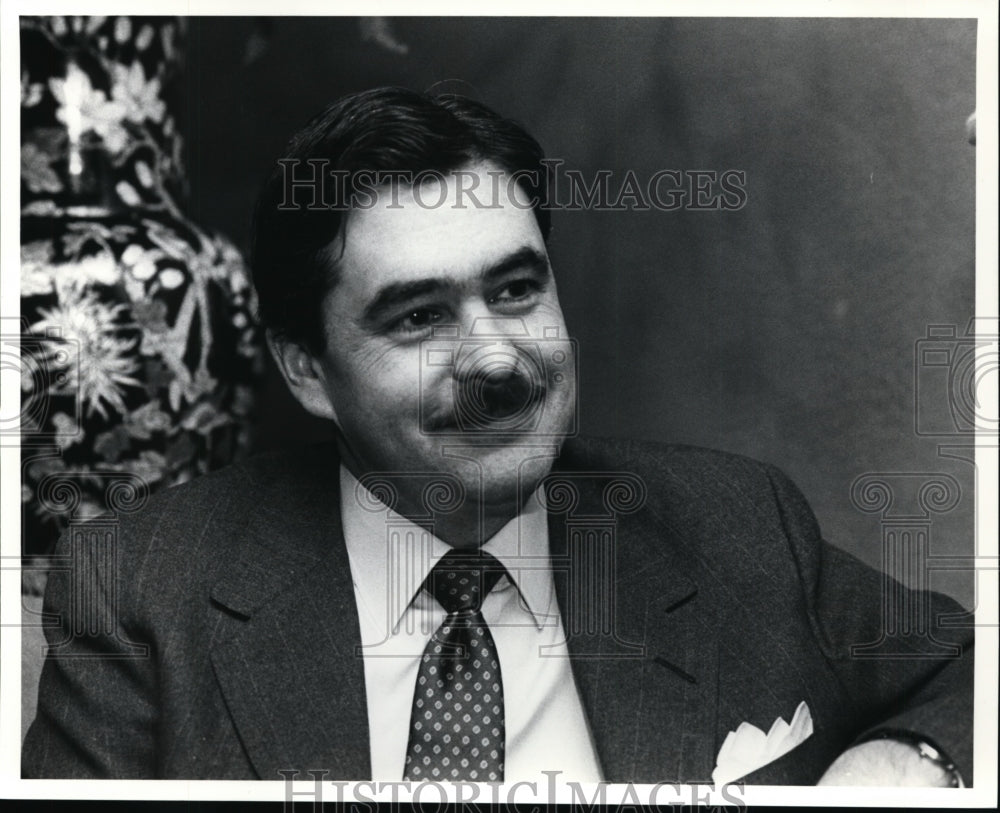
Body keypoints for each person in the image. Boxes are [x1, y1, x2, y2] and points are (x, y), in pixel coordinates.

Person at [22, 87, 972, 786]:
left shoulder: (735, 524)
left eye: (516, 290)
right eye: (417, 317)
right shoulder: (141, 594)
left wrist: (903, 760)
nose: (498, 361)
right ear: (306, 367)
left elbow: (967, 673)